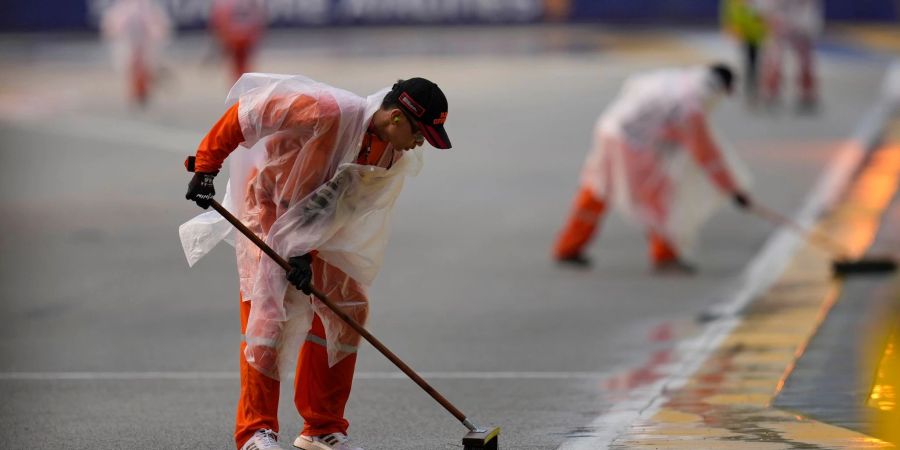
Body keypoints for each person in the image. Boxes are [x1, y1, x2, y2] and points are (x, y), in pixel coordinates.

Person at [179, 75, 452, 450]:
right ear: (397, 119)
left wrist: (304, 252)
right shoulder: (329, 109)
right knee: (269, 314)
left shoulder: (390, 152)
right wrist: (206, 166)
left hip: (317, 227)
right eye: (421, 134)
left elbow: (332, 203)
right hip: (268, 209)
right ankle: (255, 432)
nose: (420, 144)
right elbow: (249, 113)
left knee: (346, 308)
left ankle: (321, 428)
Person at [552, 64, 752, 273]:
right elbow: (707, 155)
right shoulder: (692, 105)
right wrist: (733, 190)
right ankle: (665, 255)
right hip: (633, 143)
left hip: (610, 128)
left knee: (599, 187)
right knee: (658, 196)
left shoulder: (677, 78)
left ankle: (569, 246)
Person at [101, 0, 172, 107]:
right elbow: (112, 26)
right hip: (130, 39)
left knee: (141, 65)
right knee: (133, 65)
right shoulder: (123, 10)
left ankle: (143, 87)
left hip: (144, 40)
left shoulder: (148, 8)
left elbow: (159, 27)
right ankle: (140, 88)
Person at [756, 0, 823, 112]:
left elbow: (809, 6)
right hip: (779, 16)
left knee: (805, 56)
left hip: (800, 16)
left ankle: (807, 92)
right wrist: (767, 15)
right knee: (774, 55)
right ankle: (771, 91)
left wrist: (807, 22)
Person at [720, 0, 767, 105]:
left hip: (756, 33)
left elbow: (764, 13)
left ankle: (754, 90)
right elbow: (729, 11)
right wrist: (729, 26)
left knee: (754, 63)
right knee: (750, 63)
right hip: (744, 33)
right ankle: (751, 90)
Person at [209, 0, 267, 81]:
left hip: (234, 36)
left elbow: (219, 19)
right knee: (242, 65)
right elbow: (258, 16)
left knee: (238, 66)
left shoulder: (223, 3)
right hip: (245, 35)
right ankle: (244, 85)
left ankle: (240, 86)